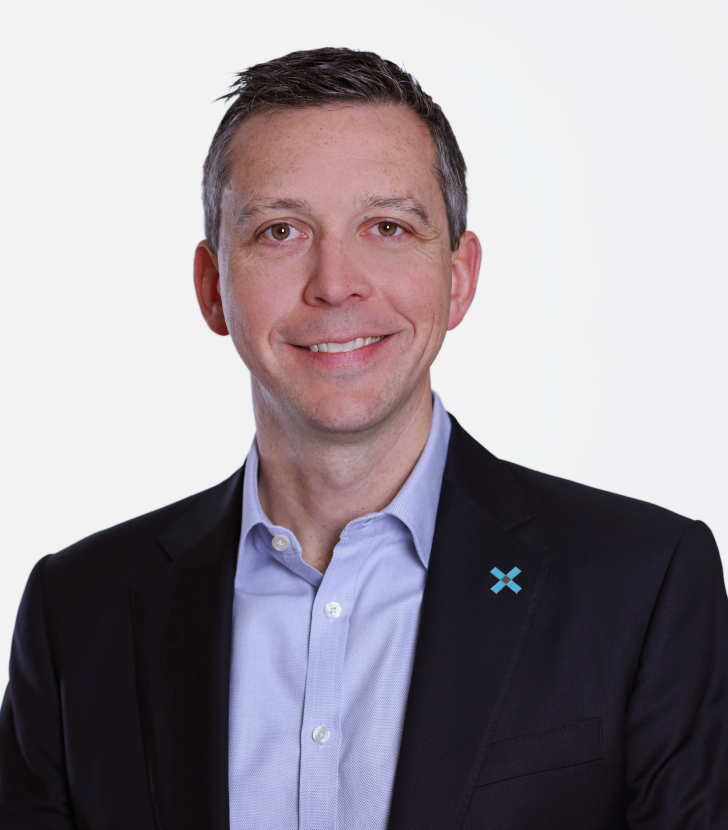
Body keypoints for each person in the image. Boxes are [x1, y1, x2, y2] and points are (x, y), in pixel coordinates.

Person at [0, 46, 726, 830]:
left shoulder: (642, 585)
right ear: (214, 288)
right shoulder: (77, 615)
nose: (336, 282)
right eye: (281, 231)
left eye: (387, 226)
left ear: (460, 277)